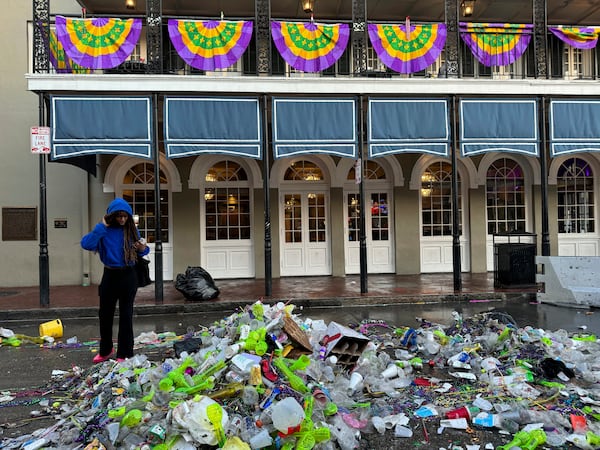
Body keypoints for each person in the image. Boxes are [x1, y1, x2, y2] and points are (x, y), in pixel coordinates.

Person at [81, 198, 149, 364]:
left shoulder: (131, 230)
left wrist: (142, 248)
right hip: (110, 275)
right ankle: (106, 350)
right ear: (111, 216)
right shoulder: (104, 230)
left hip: (128, 275)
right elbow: (87, 244)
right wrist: (102, 225)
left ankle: (124, 353)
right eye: (118, 216)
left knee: (126, 315)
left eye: (125, 216)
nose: (122, 219)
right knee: (105, 315)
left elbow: (143, 250)